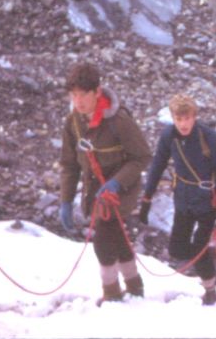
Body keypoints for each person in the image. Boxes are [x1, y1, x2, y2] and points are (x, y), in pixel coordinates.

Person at [59, 62, 151, 304]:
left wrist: (117, 183)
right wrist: (65, 201)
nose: (78, 101)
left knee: (102, 239)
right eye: (74, 95)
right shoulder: (73, 123)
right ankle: (135, 286)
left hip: (122, 191)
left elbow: (142, 156)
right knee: (118, 238)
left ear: (97, 92)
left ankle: (111, 293)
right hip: (94, 193)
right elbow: (69, 164)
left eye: (83, 94)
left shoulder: (118, 120)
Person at [139, 94, 216, 305]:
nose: (183, 124)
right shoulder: (169, 136)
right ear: (173, 117)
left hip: (208, 202)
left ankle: (210, 289)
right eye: (178, 119)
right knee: (177, 249)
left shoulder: (211, 139)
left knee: (198, 247)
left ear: (194, 117)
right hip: (183, 198)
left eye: (187, 118)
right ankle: (207, 261)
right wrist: (146, 199)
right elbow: (157, 166)